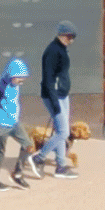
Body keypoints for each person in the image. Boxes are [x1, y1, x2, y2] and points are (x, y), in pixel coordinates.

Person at [32, 24, 80, 178]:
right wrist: (55, 104)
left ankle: (61, 166)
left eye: (73, 37)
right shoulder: (52, 51)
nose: (70, 40)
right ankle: (38, 158)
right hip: (54, 96)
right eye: (68, 37)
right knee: (63, 131)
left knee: (61, 131)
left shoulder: (61, 48)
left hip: (62, 95)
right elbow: (48, 79)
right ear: (60, 34)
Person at [0, 56, 33, 190]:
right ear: (12, 74)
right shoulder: (0, 87)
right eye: (20, 77)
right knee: (0, 152)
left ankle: (17, 173)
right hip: (1, 124)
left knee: (28, 145)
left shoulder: (16, 85)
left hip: (14, 122)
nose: (22, 81)